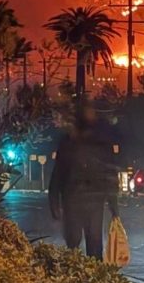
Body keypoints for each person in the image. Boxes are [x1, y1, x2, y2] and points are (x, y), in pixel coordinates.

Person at [48, 105, 119, 260]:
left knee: (76, 242)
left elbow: (58, 174)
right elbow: (110, 174)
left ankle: (80, 273)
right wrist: (114, 206)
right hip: (89, 199)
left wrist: (54, 201)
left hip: (76, 198)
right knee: (91, 243)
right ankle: (91, 274)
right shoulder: (98, 143)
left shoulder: (69, 142)